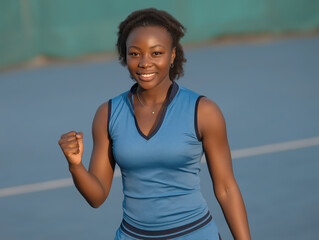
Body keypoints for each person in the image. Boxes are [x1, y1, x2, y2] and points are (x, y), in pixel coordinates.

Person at [58, 8, 251, 240]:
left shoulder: (203, 111)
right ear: (125, 56)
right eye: (135, 53)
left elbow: (226, 188)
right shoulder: (107, 114)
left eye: (156, 53)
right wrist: (75, 166)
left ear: (172, 56)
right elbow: (97, 197)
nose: (144, 63)